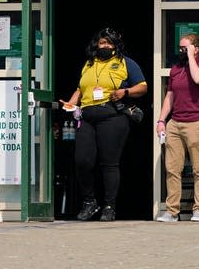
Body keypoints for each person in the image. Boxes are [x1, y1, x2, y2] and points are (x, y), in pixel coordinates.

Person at [59, 27, 147, 221]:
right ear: (96, 45)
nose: (105, 46)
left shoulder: (126, 63)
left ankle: (109, 206)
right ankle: (89, 202)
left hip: (113, 116)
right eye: (102, 43)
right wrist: (72, 102)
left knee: (109, 163)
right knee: (82, 161)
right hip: (87, 116)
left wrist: (125, 92)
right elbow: (80, 89)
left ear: (115, 45)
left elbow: (142, 86)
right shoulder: (89, 64)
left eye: (109, 43)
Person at [156, 33, 199, 222]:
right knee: (172, 168)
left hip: (197, 122)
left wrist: (191, 57)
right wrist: (161, 120)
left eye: (185, 48)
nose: (181, 51)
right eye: (180, 48)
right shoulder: (175, 69)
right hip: (176, 123)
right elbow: (170, 96)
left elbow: (198, 79)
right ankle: (172, 211)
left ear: (195, 49)